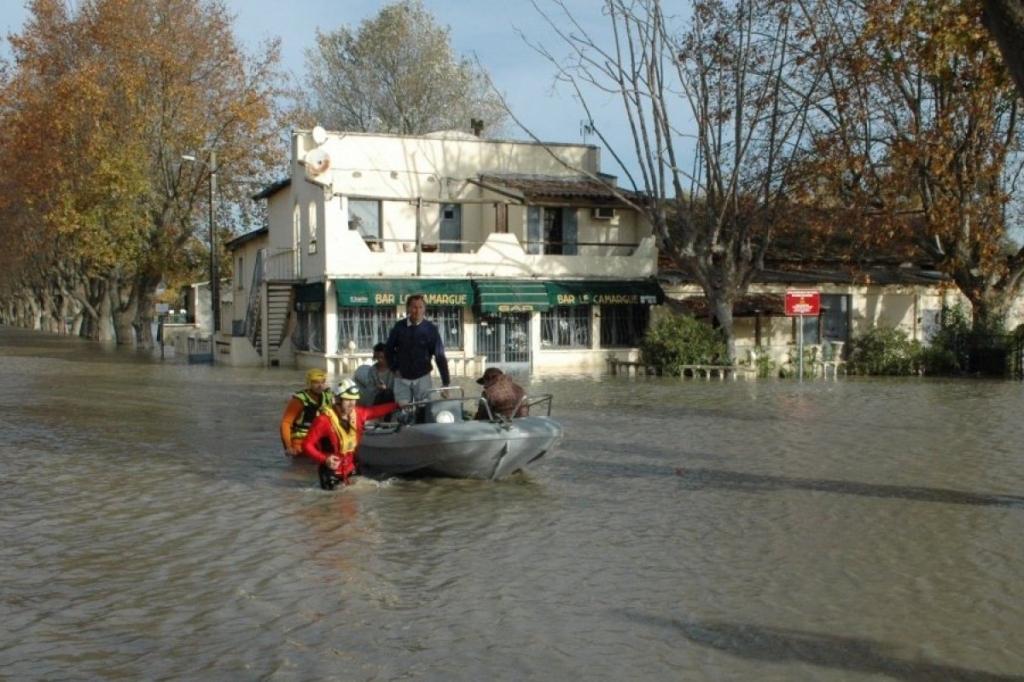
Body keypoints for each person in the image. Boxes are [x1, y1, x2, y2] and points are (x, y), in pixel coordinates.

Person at [302, 379, 398, 490]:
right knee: (334, 503)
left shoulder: (358, 413)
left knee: (367, 491)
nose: (352, 404)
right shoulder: (323, 420)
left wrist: (397, 405)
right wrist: (324, 459)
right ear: (337, 399)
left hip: (351, 467)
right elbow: (306, 445)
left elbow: (375, 411)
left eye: (354, 400)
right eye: (347, 399)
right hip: (330, 470)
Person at [385, 294, 450, 406]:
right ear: (408, 309)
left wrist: (445, 382)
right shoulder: (399, 327)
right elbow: (388, 349)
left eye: (420, 307)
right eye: (414, 307)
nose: (417, 311)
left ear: (424, 309)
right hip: (402, 378)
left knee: (424, 410)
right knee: (402, 410)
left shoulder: (431, 329)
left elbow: (439, 355)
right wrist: (394, 368)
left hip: (422, 377)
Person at [280, 368, 333, 457]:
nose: (320, 385)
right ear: (309, 383)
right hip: (301, 443)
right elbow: (285, 423)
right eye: (316, 382)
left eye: (322, 382)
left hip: (321, 441)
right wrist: (288, 447)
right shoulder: (298, 401)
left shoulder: (328, 397)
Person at [353, 342, 395, 406]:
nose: (380, 360)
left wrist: (386, 389)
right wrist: (378, 389)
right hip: (378, 398)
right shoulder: (373, 370)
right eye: (378, 358)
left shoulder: (394, 369)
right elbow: (370, 388)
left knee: (388, 393)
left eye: (382, 357)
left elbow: (398, 387)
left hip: (393, 398)